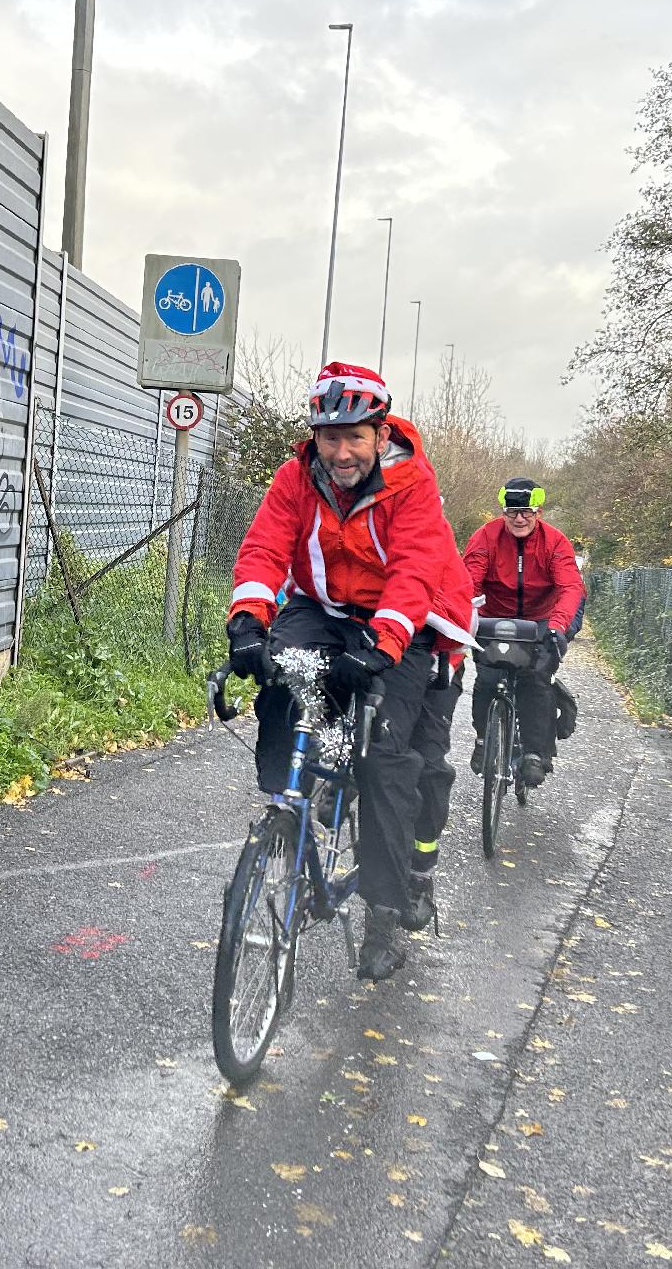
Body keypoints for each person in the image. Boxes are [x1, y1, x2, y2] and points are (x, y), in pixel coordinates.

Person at [224, 362, 475, 981]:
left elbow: (415, 571)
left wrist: (383, 647)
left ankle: (384, 916)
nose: (341, 451)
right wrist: (248, 622)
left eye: (354, 437)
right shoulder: (295, 477)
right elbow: (264, 548)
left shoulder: (410, 485)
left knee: (387, 760)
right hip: (322, 606)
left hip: (407, 618)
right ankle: (293, 805)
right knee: (280, 681)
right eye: (329, 437)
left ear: (379, 435)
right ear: (315, 437)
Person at [462, 477, 585, 788]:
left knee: (536, 676)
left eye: (527, 512)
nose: (519, 518)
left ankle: (534, 752)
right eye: (512, 511)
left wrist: (557, 627)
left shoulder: (555, 542)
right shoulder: (485, 537)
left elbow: (570, 587)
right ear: (503, 511)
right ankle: (482, 738)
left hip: (542, 616)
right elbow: (468, 581)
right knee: (488, 678)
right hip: (494, 616)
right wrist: (465, 616)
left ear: (538, 512)